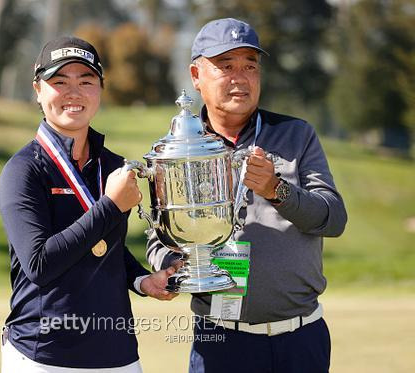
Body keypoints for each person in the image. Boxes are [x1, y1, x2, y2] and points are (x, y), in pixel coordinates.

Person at [146, 18, 347, 373]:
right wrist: (171, 268)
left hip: (301, 339)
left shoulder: (296, 135)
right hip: (221, 341)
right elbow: (159, 236)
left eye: (250, 66)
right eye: (226, 66)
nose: (240, 78)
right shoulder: (179, 148)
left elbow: (332, 219)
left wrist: (277, 189)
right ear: (196, 75)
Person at [0, 36, 177, 373]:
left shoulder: (111, 165)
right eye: (59, 81)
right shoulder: (22, 171)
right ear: (38, 90)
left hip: (118, 354)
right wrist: (110, 205)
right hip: (43, 355)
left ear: (100, 89)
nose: (74, 92)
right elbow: (39, 264)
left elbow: (107, 246)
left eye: (86, 81)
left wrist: (141, 280)